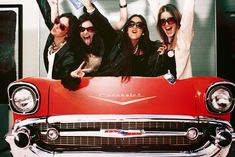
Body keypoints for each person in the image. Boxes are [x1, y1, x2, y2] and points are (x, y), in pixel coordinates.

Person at [71, 0, 176, 78]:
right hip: (107, 89)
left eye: (139, 25)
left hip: (135, 96)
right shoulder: (116, 41)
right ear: (126, 29)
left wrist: (164, 56)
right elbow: (104, 26)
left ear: (143, 31)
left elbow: (164, 75)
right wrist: (89, 6)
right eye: (131, 24)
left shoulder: (152, 50)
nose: (134, 27)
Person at [50, 0, 128, 77]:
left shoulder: (104, 40)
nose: (85, 32)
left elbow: (121, 21)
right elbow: (59, 27)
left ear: (96, 31)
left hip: (103, 84)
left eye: (90, 29)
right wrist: (54, 8)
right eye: (82, 29)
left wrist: (89, 7)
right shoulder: (75, 46)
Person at [36, 0, 81, 90]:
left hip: (60, 91)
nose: (56, 26)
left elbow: (67, 75)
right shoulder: (53, 37)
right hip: (49, 86)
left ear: (68, 33)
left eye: (62, 27)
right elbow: (48, 16)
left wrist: (71, 75)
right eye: (57, 21)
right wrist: (54, 7)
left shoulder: (69, 53)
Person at [147, 0, 194, 80]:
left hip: (182, 90)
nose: (167, 24)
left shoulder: (183, 39)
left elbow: (189, 10)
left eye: (171, 20)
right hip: (164, 90)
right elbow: (154, 5)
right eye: (163, 21)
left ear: (177, 21)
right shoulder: (164, 44)